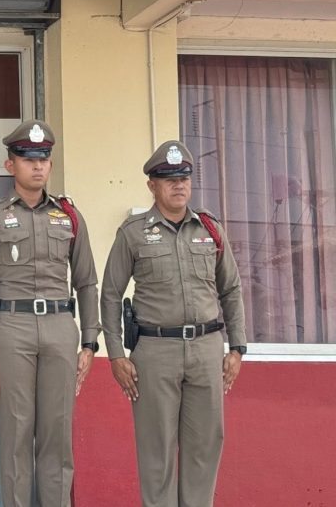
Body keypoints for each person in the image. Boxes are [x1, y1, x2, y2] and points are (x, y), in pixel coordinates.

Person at [0, 120, 100, 507]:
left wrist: (90, 342)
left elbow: (86, 281)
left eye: (44, 158)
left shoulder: (68, 216)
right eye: (28, 158)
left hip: (60, 328)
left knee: (57, 436)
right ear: (11, 165)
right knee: (17, 436)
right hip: (12, 329)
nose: (37, 165)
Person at [100, 140, 246, 507]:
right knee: (157, 451)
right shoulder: (133, 232)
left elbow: (231, 289)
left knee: (205, 447)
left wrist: (237, 348)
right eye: (169, 179)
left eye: (184, 177)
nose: (178, 184)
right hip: (155, 352)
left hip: (206, 350)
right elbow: (110, 294)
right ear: (152, 185)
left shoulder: (210, 229)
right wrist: (115, 355)